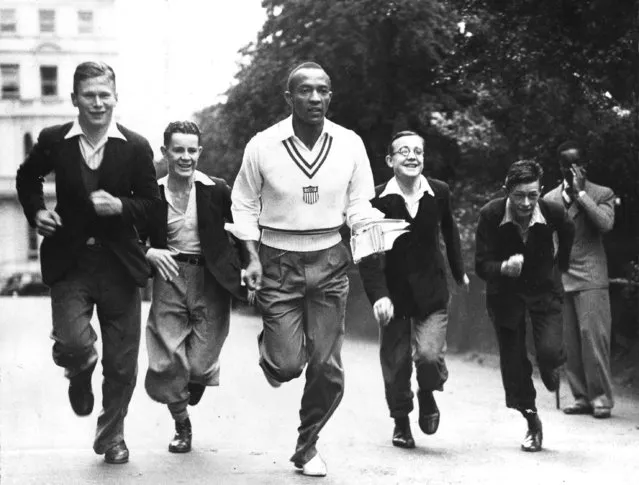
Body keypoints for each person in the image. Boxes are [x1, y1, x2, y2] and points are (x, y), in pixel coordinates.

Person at [229, 61, 380, 477]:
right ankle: (273, 351)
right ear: (288, 97)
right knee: (286, 365)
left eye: (323, 90)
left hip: (331, 260)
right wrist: (252, 255)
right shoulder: (263, 145)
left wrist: (368, 228)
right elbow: (242, 203)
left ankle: (307, 444)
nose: (315, 98)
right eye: (305, 90)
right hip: (278, 260)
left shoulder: (350, 144)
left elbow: (360, 202)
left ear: (331, 95)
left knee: (329, 368)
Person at [16, 61, 160, 464]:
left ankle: (112, 437)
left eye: (105, 95)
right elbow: (27, 178)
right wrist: (36, 211)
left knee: (121, 364)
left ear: (116, 97)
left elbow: (152, 205)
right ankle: (79, 372)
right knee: (74, 343)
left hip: (119, 264)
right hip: (71, 261)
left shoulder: (134, 146)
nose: (98, 103)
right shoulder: (54, 140)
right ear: (74, 99)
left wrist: (121, 206)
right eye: (89, 95)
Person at [358, 130, 469, 449]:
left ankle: (428, 393)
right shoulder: (375, 200)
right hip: (393, 295)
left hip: (432, 291)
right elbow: (366, 253)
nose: (412, 156)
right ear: (390, 160)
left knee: (429, 357)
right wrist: (378, 295)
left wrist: (458, 271)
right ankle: (401, 421)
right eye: (403, 151)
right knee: (395, 364)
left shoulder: (439, 192)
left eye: (418, 151)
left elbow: (450, 230)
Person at [143, 120, 245, 453]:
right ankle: (181, 424)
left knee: (199, 365)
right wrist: (148, 252)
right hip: (169, 276)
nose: (185, 157)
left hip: (211, 279)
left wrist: (251, 264)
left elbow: (242, 227)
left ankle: (197, 378)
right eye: (178, 150)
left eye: (191, 150)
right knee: (167, 362)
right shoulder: (152, 193)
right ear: (165, 152)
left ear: (199, 152)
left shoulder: (216, 189)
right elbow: (129, 235)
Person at [475, 159, 574, 452]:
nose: (527, 202)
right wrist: (503, 267)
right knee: (514, 364)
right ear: (507, 191)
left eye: (533, 194)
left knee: (549, 352)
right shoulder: (491, 214)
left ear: (540, 191)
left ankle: (551, 364)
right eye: (519, 195)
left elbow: (568, 232)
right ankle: (532, 421)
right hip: (505, 294)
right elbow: (481, 264)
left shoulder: (554, 211)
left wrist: (561, 265)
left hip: (543, 289)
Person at [544, 141, 616, 419]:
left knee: (593, 339)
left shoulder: (602, 193)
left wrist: (581, 194)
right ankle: (581, 396)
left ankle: (601, 398)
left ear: (585, 166)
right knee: (570, 341)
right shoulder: (549, 198)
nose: (572, 170)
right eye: (566, 166)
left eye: (577, 165)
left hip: (591, 276)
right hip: (562, 275)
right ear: (560, 167)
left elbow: (605, 224)